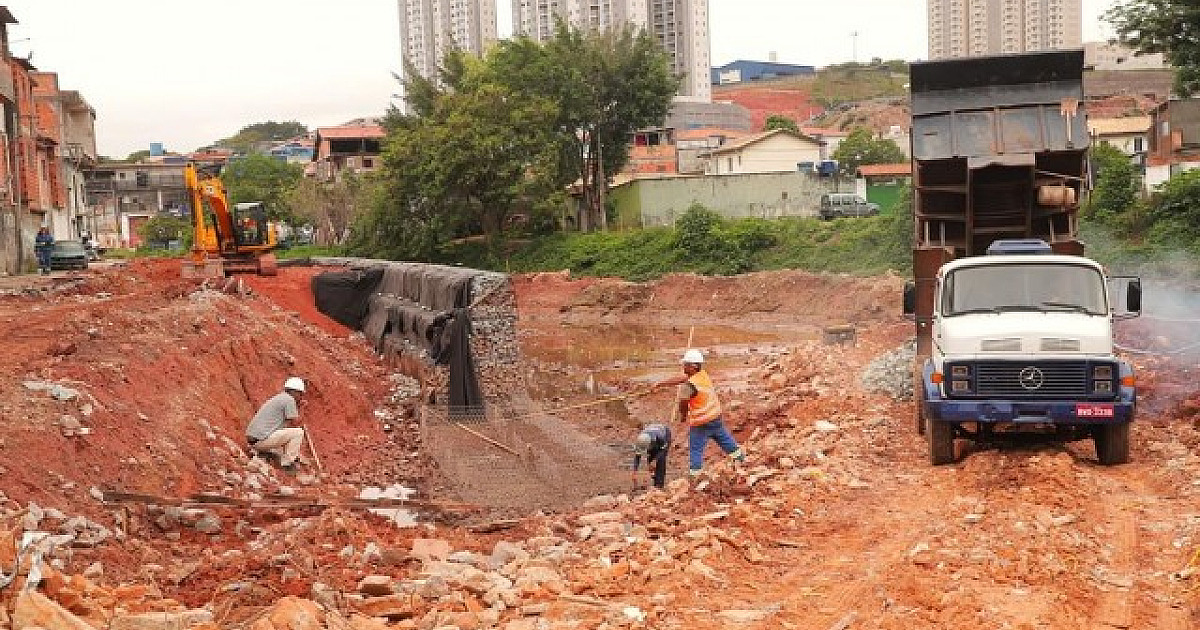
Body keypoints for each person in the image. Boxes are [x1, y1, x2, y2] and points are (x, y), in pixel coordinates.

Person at [654, 349, 745, 476]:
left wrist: (683, 417)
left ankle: (695, 475)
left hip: (701, 422)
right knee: (724, 439)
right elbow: (682, 378)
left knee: (695, 449)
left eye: (686, 365)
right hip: (715, 417)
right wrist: (661, 384)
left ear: (694, 366)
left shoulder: (689, 386)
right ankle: (740, 458)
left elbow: (683, 403)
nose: (683, 367)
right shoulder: (702, 375)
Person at [245, 377, 308, 472]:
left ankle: (265, 453)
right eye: (300, 394)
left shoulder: (280, 397)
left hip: (253, 440)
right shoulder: (289, 400)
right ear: (294, 392)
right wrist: (302, 408)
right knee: (298, 432)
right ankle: (287, 464)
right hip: (260, 442)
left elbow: (287, 425)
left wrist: (297, 407)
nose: (301, 397)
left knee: (285, 434)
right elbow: (296, 423)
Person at [631, 422, 672, 489]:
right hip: (652, 436)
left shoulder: (660, 437)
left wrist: (655, 460)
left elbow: (663, 450)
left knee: (660, 460)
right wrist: (634, 472)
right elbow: (637, 456)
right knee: (651, 459)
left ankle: (659, 484)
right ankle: (655, 479)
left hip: (665, 433)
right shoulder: (641, 440)